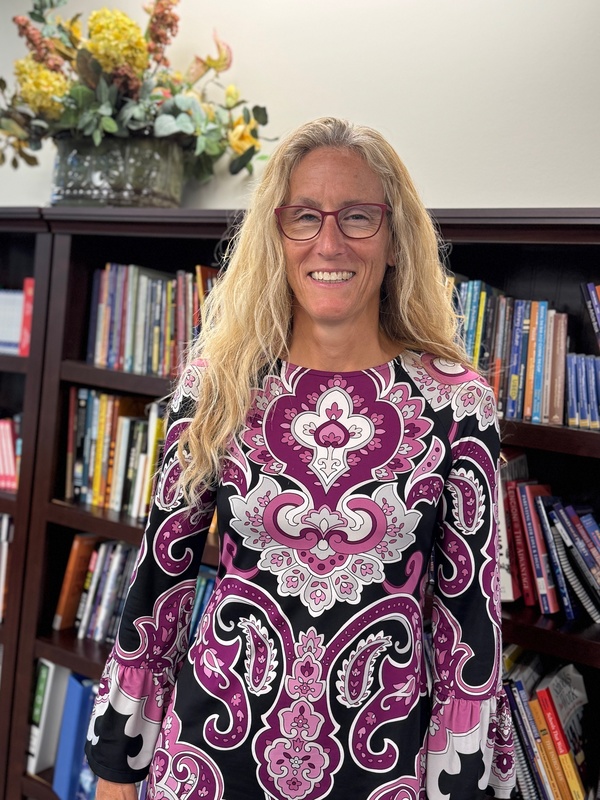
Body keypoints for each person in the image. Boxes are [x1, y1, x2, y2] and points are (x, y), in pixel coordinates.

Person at [86, 116, 516, 799]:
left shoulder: (459, 402)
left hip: (382, 769)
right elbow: (156, 590)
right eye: (304, 217)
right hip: (206, 760)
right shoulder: (216, 384)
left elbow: (468, 627)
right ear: (275, 235)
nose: (329, 241)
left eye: (358, 217)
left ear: (396, 238)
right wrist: (115, 778)